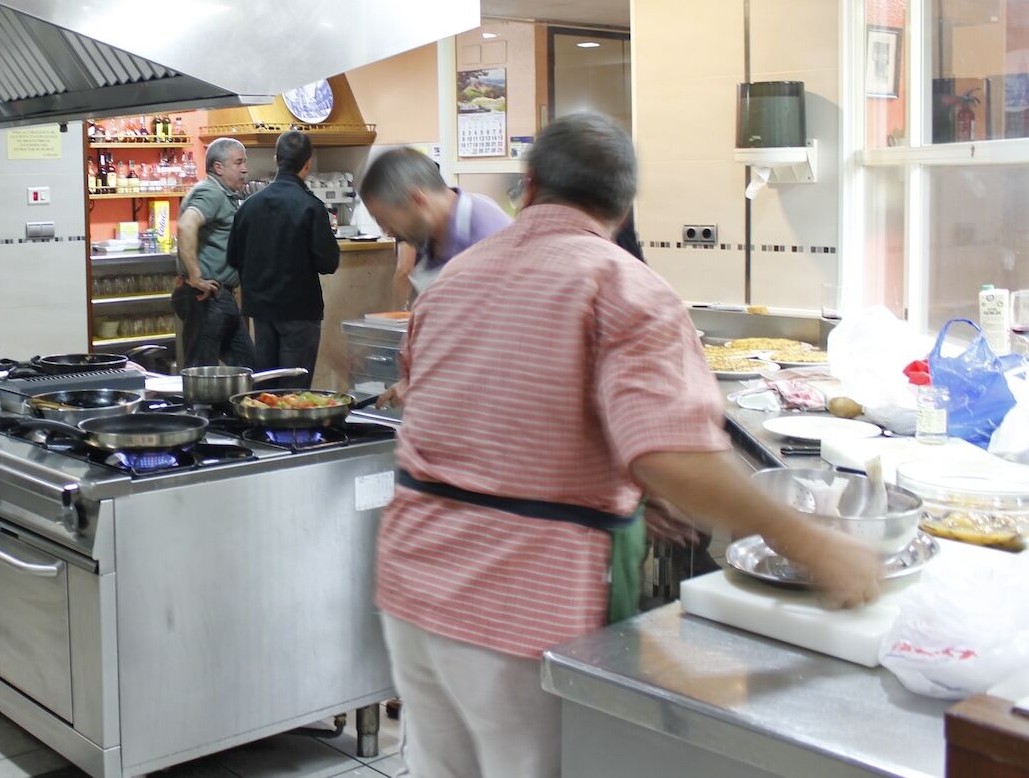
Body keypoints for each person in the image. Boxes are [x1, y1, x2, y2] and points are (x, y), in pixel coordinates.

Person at [375, 114, 882, 778]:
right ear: (623, 203)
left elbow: (472, 415)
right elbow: (669, 454)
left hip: (413, 584)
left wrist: (632, 494)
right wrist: (812, 542)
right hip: (520, 604)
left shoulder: (452, 283)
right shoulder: (626, 288)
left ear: (528, 186)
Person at [226, 130, 339, 388]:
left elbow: (233, 257)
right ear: (308, 163)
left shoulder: (249, 206)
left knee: (267, 384)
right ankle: (294, 430)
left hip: (261, 310)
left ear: (276, 158)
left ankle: (265, 429)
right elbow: (328, 263)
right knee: (294, 391)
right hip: (300, 310)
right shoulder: (311, 207)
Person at [359, 147, 514, 299]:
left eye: (385, 220)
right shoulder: (432, 232)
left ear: (417, 200)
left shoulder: (485, 236)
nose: (387, 231)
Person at [172, 137, 254, 369]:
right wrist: (195, 276)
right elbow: (186, 225)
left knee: (248, 367)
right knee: (201, 369)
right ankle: (198, 406)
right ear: (219, 167)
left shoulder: (219, 193)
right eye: (238, 163)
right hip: (205, 296)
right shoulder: (211, 192)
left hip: (219, 296)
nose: (245, 169)